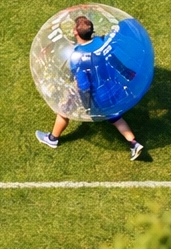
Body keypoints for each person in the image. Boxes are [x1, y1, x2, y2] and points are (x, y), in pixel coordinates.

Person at [36, 16, 144, 161]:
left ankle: (52, 138)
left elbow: (84, 86)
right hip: (114, 91)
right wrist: (127, 73)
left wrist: (86, 105)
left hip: (97, 98)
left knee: (63, 109)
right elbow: (113, 61)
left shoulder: (77, 58)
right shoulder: (102, 42)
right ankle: (134, 143)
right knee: (116, 118)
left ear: (75, 32)